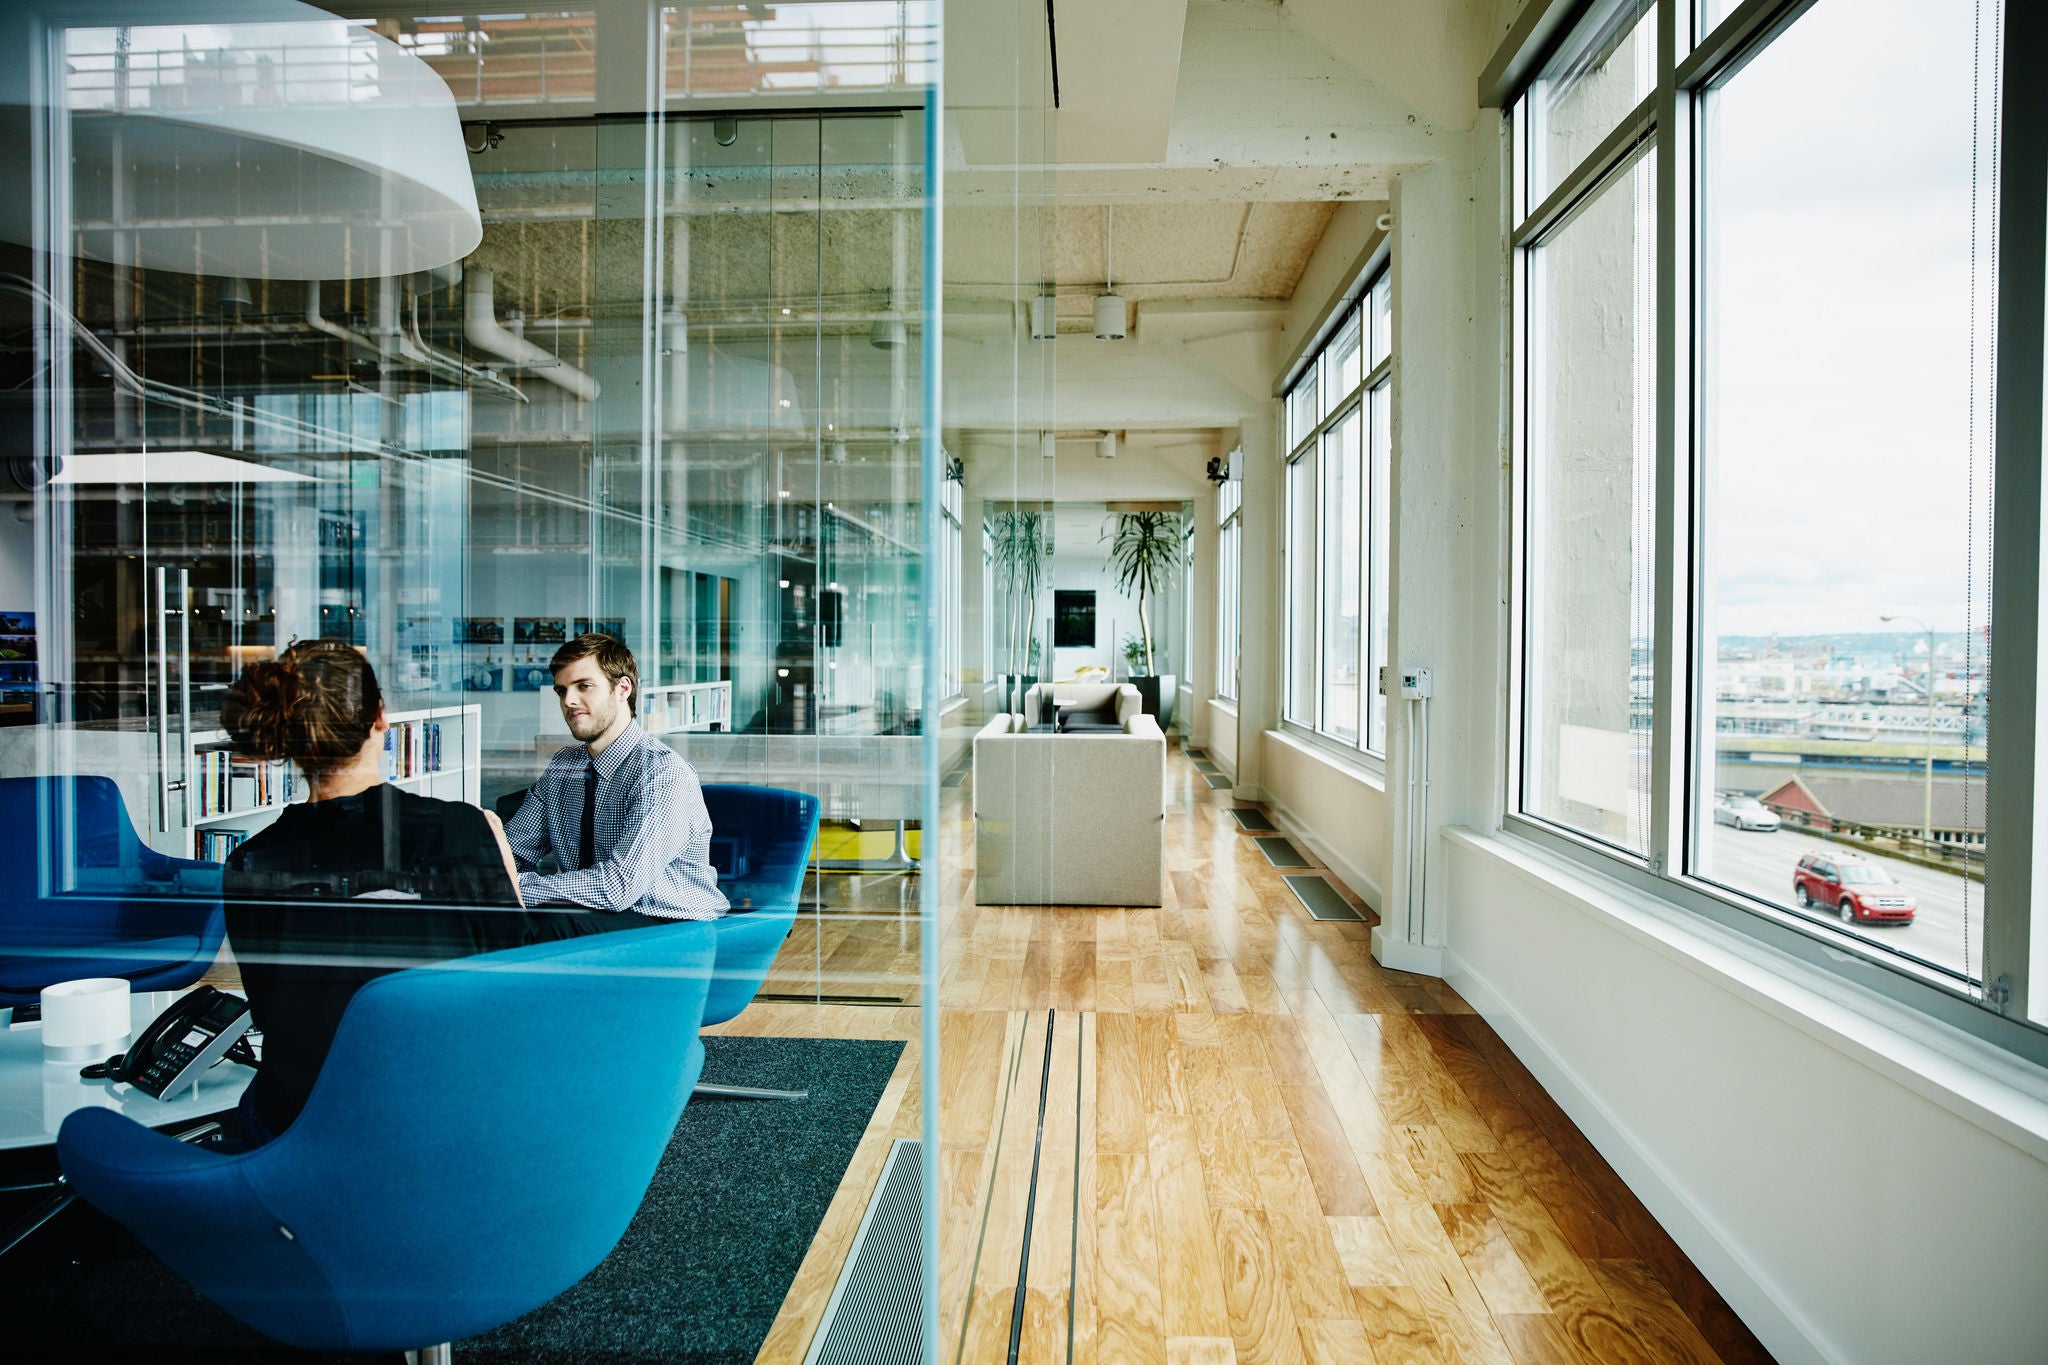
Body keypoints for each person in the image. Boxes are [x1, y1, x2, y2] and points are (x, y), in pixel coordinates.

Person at [218, 639, 533, 1144]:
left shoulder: (249, 862)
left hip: (307, 1133)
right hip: (457, 1119)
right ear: (381, 718)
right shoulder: (474, 829)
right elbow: (516, 985)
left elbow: (274, 1009)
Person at [502, 633, 727, 926]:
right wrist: (484, 881)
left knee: (545, 925)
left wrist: (515, 889)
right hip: (594, 912)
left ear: (622, 688)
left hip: (669, 922)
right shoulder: (564, 766)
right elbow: (512, 851)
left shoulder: (662, 773)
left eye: (584, 686)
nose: (569, 701)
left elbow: (617, 887)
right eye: (561, 691)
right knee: (490, 920)